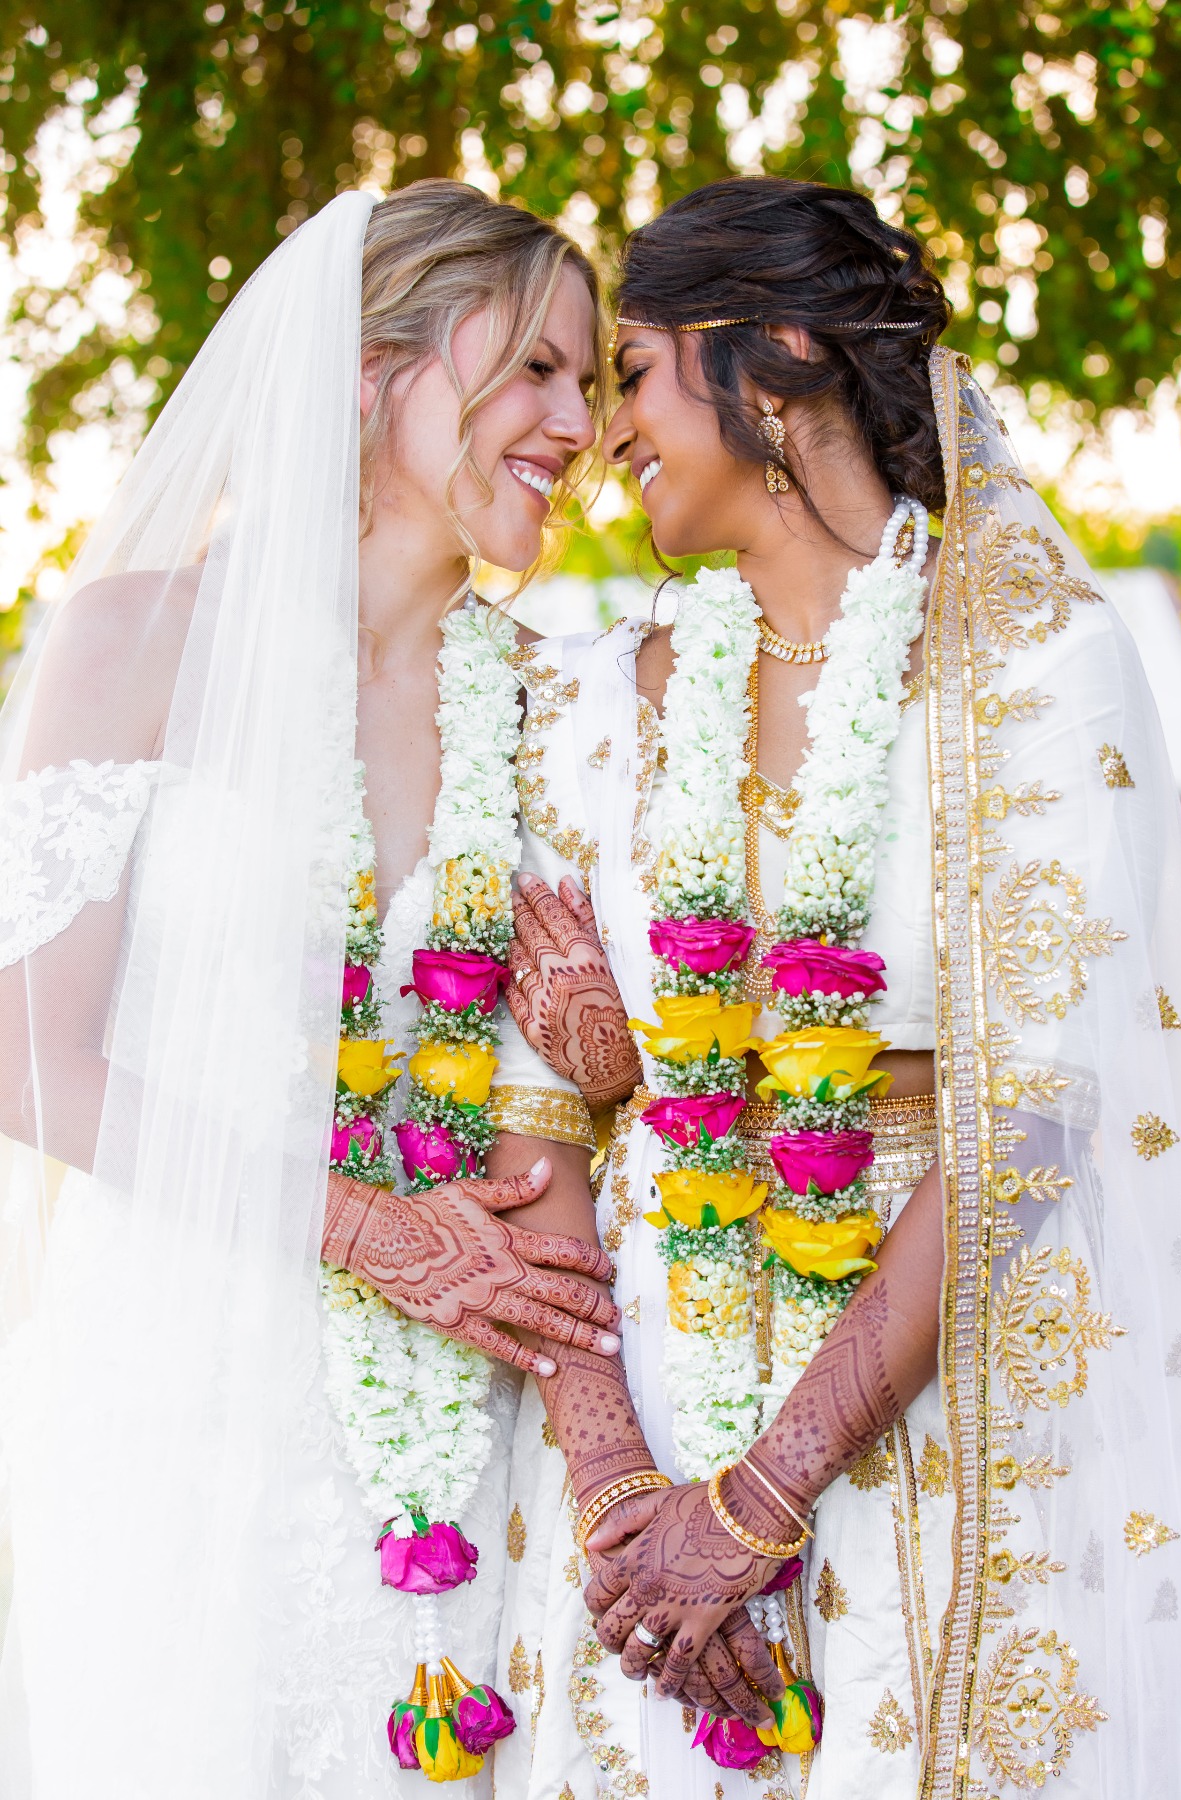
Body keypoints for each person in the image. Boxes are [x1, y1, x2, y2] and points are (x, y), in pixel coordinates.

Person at [492, 177, 1181, 1800]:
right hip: (651, 1401)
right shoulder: (595, 708)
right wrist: (626, 1503)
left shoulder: (1031, 673)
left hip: (935, 1400)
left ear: (779, 358)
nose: (609, 430)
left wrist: (760, 1501)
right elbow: (541, 1114)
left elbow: (1030, 1122)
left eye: (638, 370)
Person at [0, 180, 631, 1799]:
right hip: (194, 1381)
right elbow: (26, 1057)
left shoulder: (552, 701)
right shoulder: (141, 638)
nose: (583, 423)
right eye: (541, 372)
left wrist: (597, 1057)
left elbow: (584, 1080)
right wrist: (364, 1230)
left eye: (597, 380)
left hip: (456, 1413)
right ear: (374, 369)